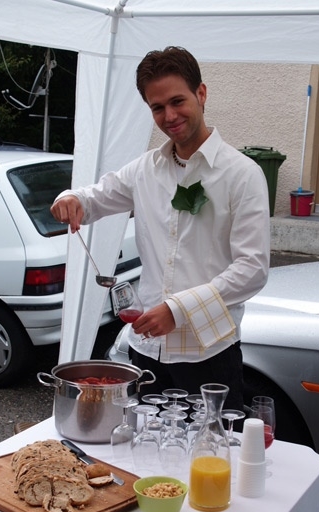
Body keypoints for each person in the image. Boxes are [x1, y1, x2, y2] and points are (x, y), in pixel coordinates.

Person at [51, 46, 270, 410]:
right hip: (147, 351)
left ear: (201, 93)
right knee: (144, 444)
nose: (169, 116)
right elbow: (94, 198)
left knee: (210, 444)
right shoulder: (144, 170)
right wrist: (70, 198)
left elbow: (252, 270)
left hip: (208, 353)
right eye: (157, 107)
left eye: (177, 101)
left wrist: (177, 309)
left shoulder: (242, 174)